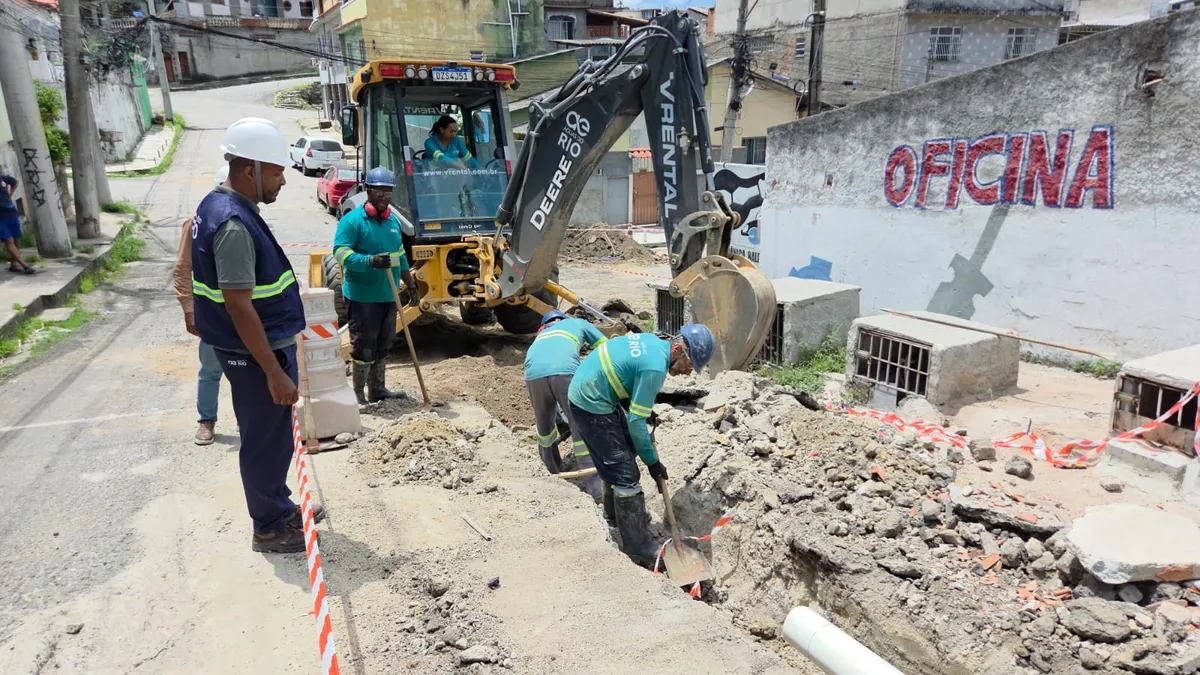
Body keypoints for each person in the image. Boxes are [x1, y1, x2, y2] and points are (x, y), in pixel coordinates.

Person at [191, 117, 322, 554]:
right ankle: (268, 527)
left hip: (253, 348)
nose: (284, 179)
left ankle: (279, 506)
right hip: (253, 354)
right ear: (250, 169)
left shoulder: (222, 206)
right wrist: (273, 371)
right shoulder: (232, 223)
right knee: (264, 441)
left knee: (274, 435)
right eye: (277, 170)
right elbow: (238, 304)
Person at [567, 324, 715, 567]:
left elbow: (624, 376)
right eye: (688, 365)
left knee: (623, 452)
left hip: (592, 391)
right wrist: (653, 463)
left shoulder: (652, 343)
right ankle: (637, 546)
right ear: (677, 349)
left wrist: (643, 411)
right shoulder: (654, 368)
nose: (688, 373)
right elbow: (636, 424)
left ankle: (616, 516)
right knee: (625, 472)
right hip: (591, 403)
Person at [332, 166, 417, 405]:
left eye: (388, 191)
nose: (383, 196)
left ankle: (377, 389)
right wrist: (369, 261)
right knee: (364, 346)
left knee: (384, 343)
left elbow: (400, 256)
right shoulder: (352, 221)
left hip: (388, 294)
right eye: (379, 190)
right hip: (362, 297)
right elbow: (340, 253)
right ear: (367, 190)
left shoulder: (392, 222)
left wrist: (410, 285)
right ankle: (358, 392)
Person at [174, 166, 230, 445]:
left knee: (249, 367)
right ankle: (206, 421)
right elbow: (183, 268)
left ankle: (253, 420)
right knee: (210, 370)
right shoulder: (195, 223)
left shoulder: (242, 219)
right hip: (212, 312)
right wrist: (188, 308)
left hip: (242, 311)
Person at [523, 310, 607, 496]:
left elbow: (549, 389)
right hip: (566, 371)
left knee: (544, 425)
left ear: (543, 327)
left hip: (532, 375)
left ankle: (551, 475)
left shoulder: (540, 337)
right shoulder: (577, 323)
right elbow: (605, 347)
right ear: (563, 320)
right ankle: (595, 488)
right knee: (580, 422)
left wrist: (559, 422)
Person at [0, 172, 38, 275]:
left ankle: (13, 264)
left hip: (11, 213)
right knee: (9, 241)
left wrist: (10, 195)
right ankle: (25, 266)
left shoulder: (3, 178)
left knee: (16, 239)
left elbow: (15, 182)